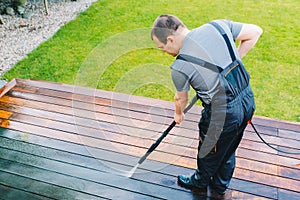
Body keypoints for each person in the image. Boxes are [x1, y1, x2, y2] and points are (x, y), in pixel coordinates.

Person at [151, 14, 263, 195]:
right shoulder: (218, 26)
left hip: (222, 114)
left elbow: (181, 99)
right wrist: (234, 61)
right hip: (247, 101)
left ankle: (200, 182)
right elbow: (256, 32)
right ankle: (220, 185)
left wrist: (178, 115)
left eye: (162, 47)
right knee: (228, 146)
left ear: (170, 39)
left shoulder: (180, 66)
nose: (164, 51)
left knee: (208, 150)